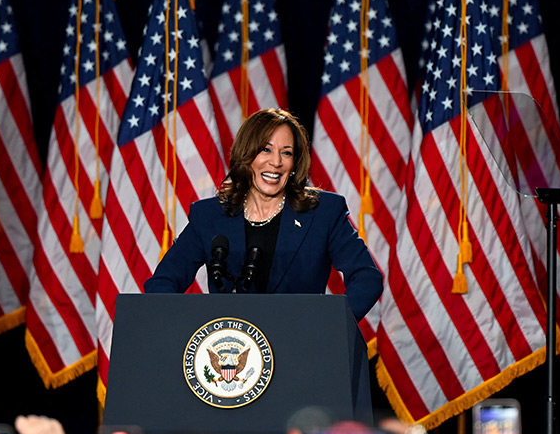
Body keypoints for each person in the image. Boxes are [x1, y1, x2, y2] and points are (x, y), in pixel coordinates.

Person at [144, 108, 383, 321]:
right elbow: (162, 283)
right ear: (246, 156)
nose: (276, 162)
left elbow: (367, 278)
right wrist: (194, 328)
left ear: (295, 162)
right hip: (231, 354)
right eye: (266, 150)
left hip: (302, 352)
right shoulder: (209, 216)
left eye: (286, 153)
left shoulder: (322, 213)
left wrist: (328, 326)